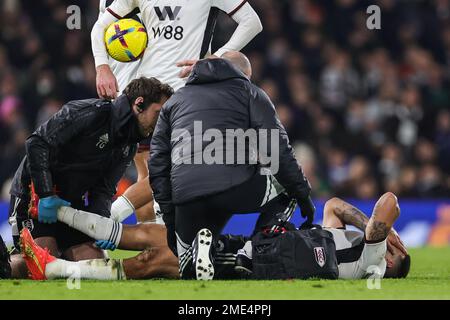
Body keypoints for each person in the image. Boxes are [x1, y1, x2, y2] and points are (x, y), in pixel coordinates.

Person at [94, 0, 263, 227]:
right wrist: (102, 66)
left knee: (171, 169)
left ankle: (108, 218)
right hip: (146, 93)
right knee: (149, 175)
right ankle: (149, 244)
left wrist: (215, 58)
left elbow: (252, 22)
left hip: (186, 93)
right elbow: (99, 27)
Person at [149, 52, 315, 280]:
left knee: (187, 266)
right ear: (244, 74)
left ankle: (204, 249)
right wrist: (304, 195)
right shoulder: (250, 92)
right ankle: (256, 253)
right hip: (236, 187)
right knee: (288, 186)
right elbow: (276, 149)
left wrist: (171, 220)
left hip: (186, 198)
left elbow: (157, 164)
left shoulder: (175, 102)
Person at [15, 193, 409, 280]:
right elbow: (336, 205)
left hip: (253, 263)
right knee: (155, 234)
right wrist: (361, 223)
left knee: (154, 261)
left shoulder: (370, 260)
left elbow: (387, 205)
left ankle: (53, 269)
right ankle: (55, 212)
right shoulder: (347, 242)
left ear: (390, 261)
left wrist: (386, 236)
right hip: (253, 245)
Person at [7, 77, 173, 279]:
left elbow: (103, 190)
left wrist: (102, 226)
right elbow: (37, 143)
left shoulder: (128, 146)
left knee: (94, 265)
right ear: (139, 104)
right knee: (42, 267)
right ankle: (5, 266)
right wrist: (46, 193)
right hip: (33, 199)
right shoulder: (90, 113)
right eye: (158, 113)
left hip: (70, 206)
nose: (161, 122)